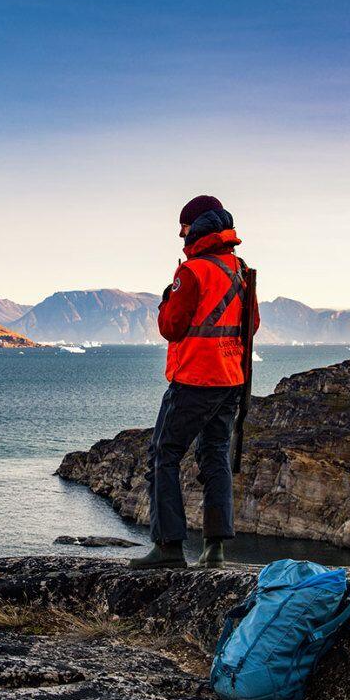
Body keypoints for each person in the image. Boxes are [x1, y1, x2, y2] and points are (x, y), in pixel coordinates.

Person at [129, 195, 260, 570]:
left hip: (194, 379)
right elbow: (251, 325)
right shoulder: (240, 270)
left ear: (197, 227)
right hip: (231, 380)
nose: (180, 234)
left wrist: (166, 300)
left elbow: (172, 327)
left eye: (183, 226)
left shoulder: (191, 272)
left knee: (163, 454)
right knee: (215, 454)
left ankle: (169, 546)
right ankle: (214, 548)